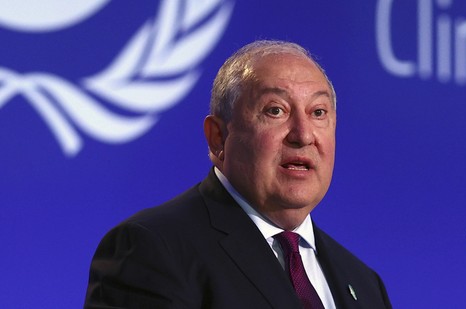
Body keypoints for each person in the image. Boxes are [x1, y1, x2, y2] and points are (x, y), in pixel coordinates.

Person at [84, 40, 392, 309]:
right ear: (218, 137)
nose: (303, 134)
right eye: (276, 110)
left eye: (319, 112)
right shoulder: (153, 248)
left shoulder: (364, 284)